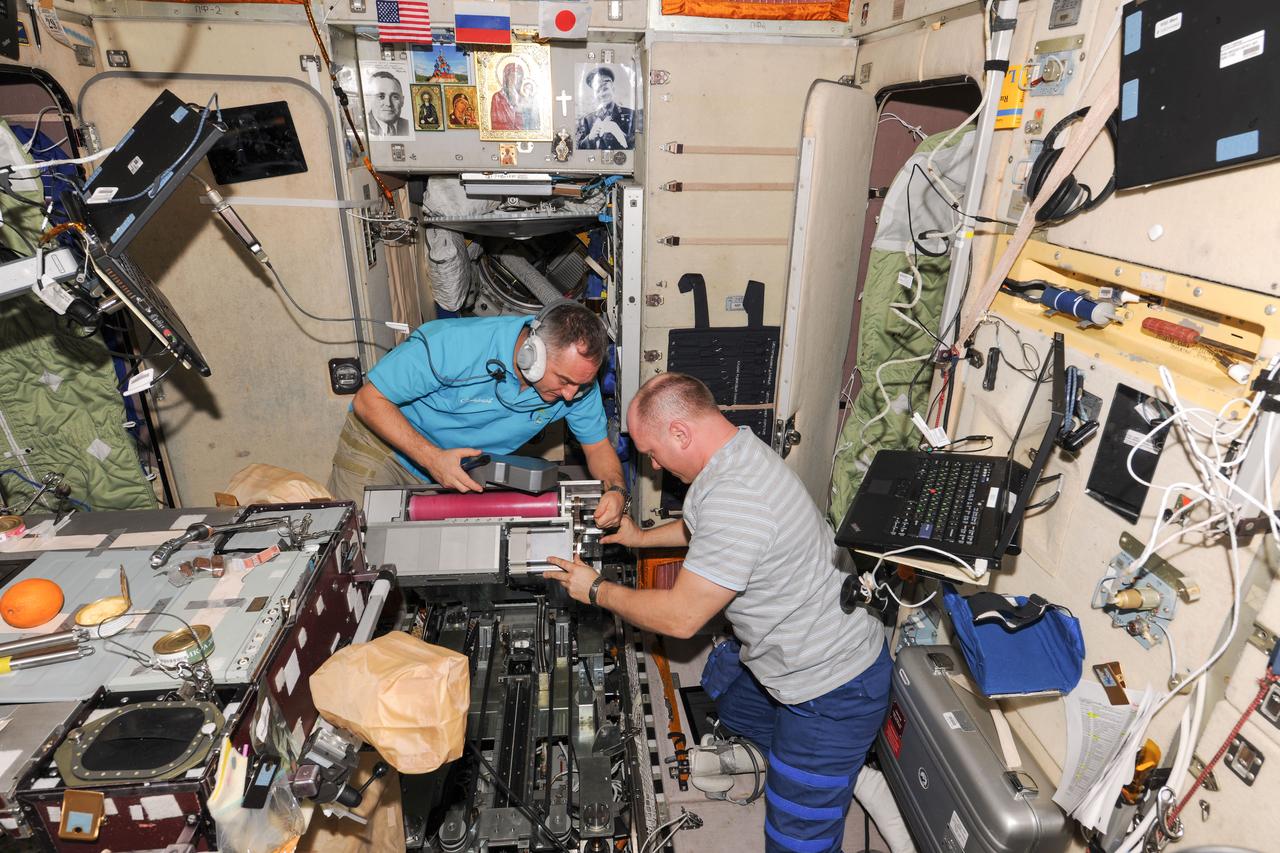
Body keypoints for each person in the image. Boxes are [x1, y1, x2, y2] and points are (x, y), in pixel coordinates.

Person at [548, 373, 890, 853]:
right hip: (785, 650)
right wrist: (641, 538)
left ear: (681, 433)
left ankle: (834, 773)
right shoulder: (736, 452)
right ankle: (809, 762)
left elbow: (682, 618)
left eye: (652, 450)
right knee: (728, 705)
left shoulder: (736, 498)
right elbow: (705, 532)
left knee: (795, 838)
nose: (652, 462)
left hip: (829, 688)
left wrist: (596, 589)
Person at [327, 302, 627, 528]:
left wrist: (616, 490)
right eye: (564, 380)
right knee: (354, 555)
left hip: (450, 473)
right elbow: (369, 400)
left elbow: (598, 446)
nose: (571, 395)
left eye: (581, 384)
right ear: (532, 355)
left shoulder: (578, 390)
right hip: (383, 448)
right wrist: (432, 458)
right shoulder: (453, 343)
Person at [575, 66, 634, 150]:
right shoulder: (588, 120)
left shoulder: (630, 114)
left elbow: (639, 146)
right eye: (598, 91)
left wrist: (620, 134)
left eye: (605, 89)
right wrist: (590, 138)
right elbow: (580, 149)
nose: (602, 94)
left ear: (613, 89)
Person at [365, 71, 411, 137]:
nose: (388, 103)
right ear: (369, 99)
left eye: (395, 97)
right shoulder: (362, 126)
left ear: (402, 101)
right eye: (381, 96)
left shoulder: (409, 126)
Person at [490, 61, 525, 131]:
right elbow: (495, 122)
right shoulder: (497, 97)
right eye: (512, 76)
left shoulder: (523, 98)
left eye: (517, 76)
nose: (514, 79)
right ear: (506, 77)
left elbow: (528, 121)